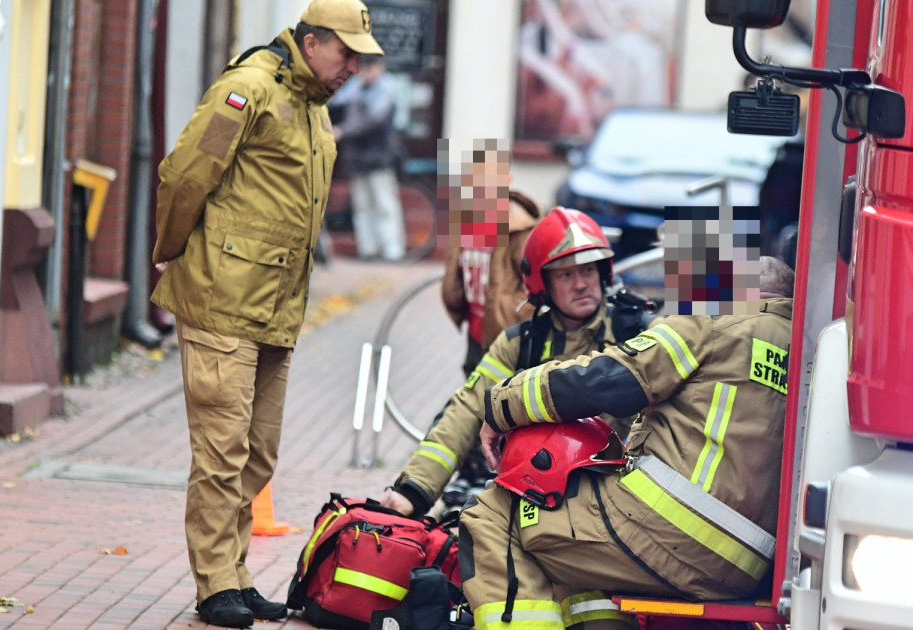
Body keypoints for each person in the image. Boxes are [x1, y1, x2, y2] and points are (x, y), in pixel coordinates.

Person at [148, 0, 383, 627]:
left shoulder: (311, 108)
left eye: (361, 56)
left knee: (258, 453)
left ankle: (238, 572)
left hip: (274, 309)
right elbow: (186, 176)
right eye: (346, 52)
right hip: (221, 299)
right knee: (222, 451)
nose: (354, 67)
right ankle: (215, 583)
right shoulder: (247, 88)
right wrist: (168, 251)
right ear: (310, 42)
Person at [461, 256, 795, 629]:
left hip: (668, 530)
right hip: (747, 566)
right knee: (580, 555)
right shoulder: (803, 349)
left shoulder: (715, 322)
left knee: (495, 511)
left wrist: (503, 403)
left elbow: (609, 379)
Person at [379, 207, 656, 519]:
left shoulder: (636, 330)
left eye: (589, 271)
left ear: (603, 273)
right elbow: (468, 408)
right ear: (542, 284)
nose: (581, 284)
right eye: (566, 274)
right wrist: (413, 490)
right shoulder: (521, 343)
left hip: (623, 492)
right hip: (539, 493)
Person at [442, 140, 540, 376]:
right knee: (473, 391)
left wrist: (514, 315)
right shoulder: (466, 222)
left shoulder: (519, 228)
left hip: (506, 333)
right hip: (476, 330)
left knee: (499, 399)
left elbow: (537, 285)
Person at [331, 54, 405, 261]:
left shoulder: (387, 88)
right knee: (362, 204)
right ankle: (368, 248)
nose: (367, 71)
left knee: (384, 204)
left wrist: (343, 130)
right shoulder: (356, 86)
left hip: (380, 156)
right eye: (364, 67)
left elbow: (374, 119)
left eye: (371, 67)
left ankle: (393, 249)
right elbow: (336, 101)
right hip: (357, 156)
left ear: (380, 67)